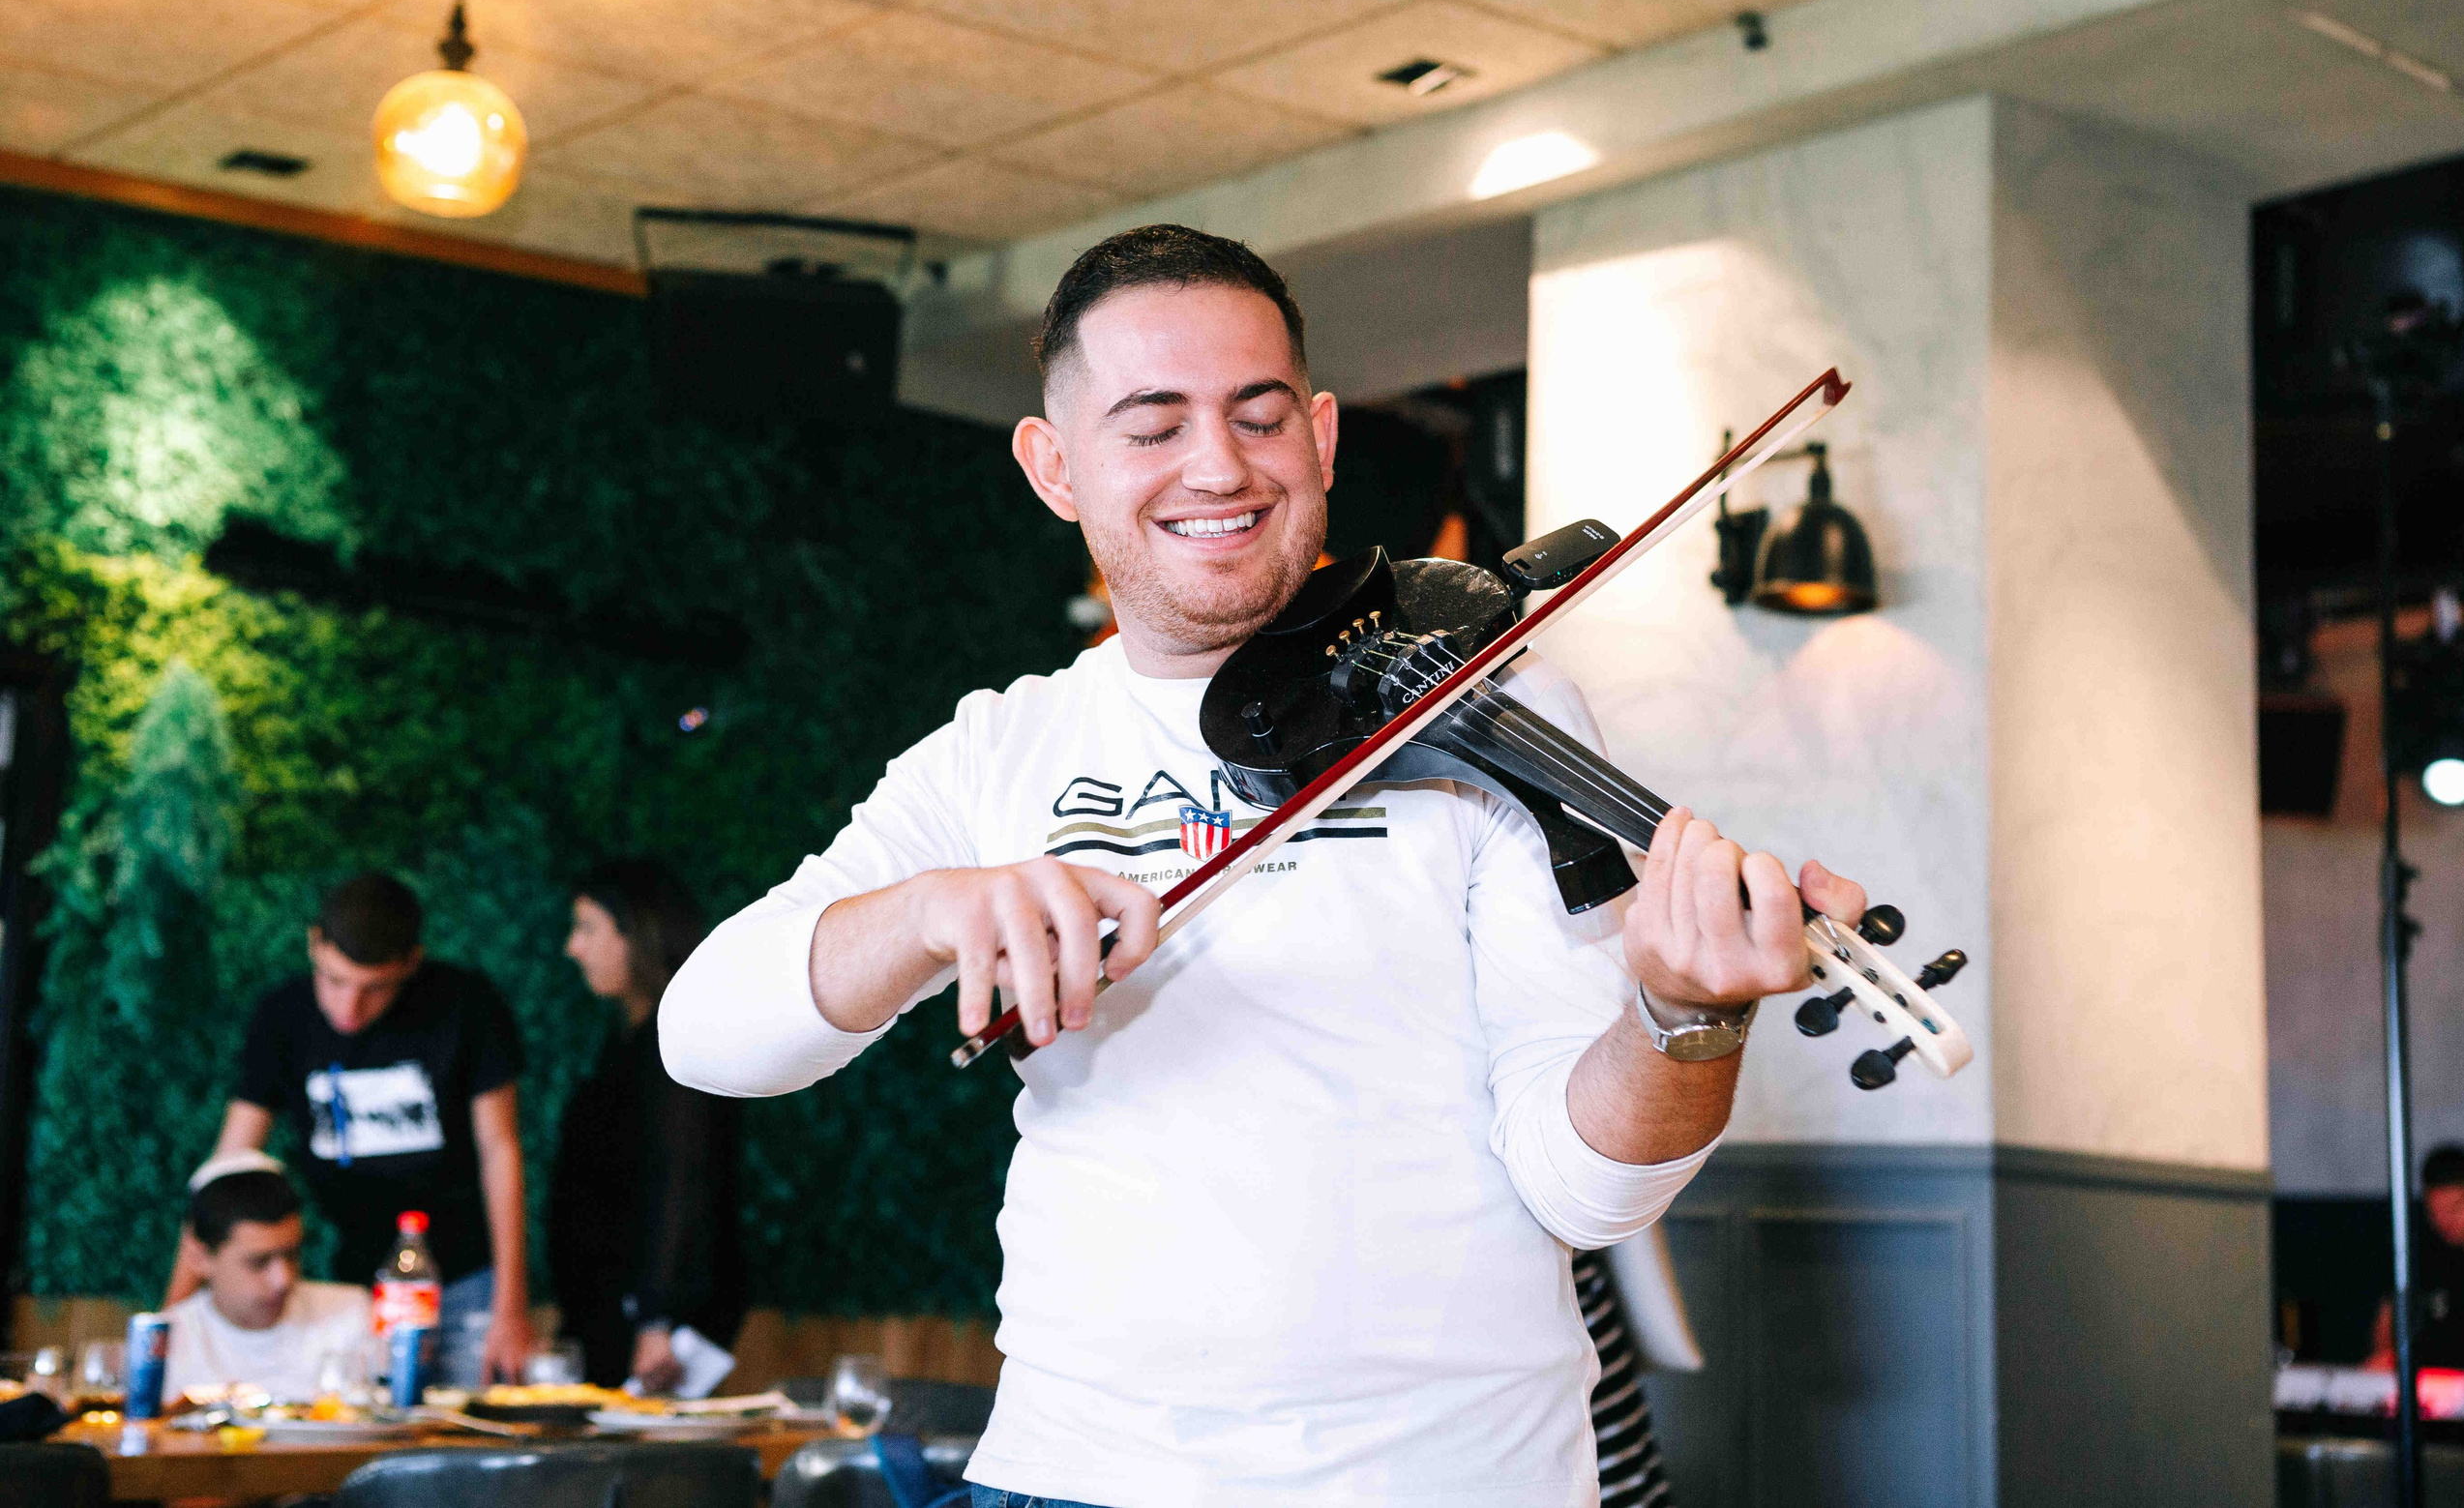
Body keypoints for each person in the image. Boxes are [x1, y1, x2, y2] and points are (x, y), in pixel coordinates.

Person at [660, 224, 1869, 1507]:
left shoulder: (1492, 711)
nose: (1218, 467)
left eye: (1259, 416)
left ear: (1323, 435)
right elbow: (708, 1035)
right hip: (1078, 1476)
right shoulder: (999, 750)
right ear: (1054, 465)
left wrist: (1682, 1018)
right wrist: (925, 912)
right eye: (1152, 425)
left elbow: (1587, 1191)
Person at [169, 872, 535, 1384]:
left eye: (375, 988)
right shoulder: (283, 1016)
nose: (349, 1008)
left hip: (465, 1281)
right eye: (334, 981)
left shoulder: (466, 1004)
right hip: (356, 1289)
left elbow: (500, 1150)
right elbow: (228, 1165)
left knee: (469, 1430)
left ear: (411, 963)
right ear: (314, 944)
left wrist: (511, 1306)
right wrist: (171, 1318)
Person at [549, 860, 744, 1392]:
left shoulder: (677, 1045)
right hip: (614, 1317)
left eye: (588, 928)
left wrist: (657, 1318)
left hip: (649, 1334)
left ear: (638, 935)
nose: (573, 947)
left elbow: (683, 1177)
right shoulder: (631, 1040)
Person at [163, 1153, 373, 1403]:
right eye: (259, 1262)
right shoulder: (168, 1342)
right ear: (200, 1257)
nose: (283, 1280)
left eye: (292, 1255)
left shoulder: (352, 1313)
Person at [2367, 1142, 2464, 1372]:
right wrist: (2384, 1359)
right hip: (2427, 1381)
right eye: (2435, 1211)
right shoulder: (2418, 1253)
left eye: (2454, 1209)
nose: (2444, 1221)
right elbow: (2388, 1317)